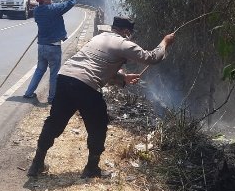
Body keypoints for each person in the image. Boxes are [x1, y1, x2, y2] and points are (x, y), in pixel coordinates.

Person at [27, 16, 175, 178]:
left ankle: (36, 164)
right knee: (98, 125)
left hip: (65, 77)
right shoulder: (123, 43)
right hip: (86, 86)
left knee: (55, 122)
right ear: (126, 32)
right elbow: (152, 57)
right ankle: (91, 168)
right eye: (130, 33)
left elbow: (97, 66)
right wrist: (165, 42)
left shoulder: (98, 38)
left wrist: (123, 78)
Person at [23, 0, 79, 103]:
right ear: (44, 0)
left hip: (42, 46)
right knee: (54, 73)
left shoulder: (37, 11)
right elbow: (71, 3)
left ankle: (28, 93)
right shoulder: (54, 9)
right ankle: (52, 98)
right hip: (53, 47)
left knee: (39, 70)